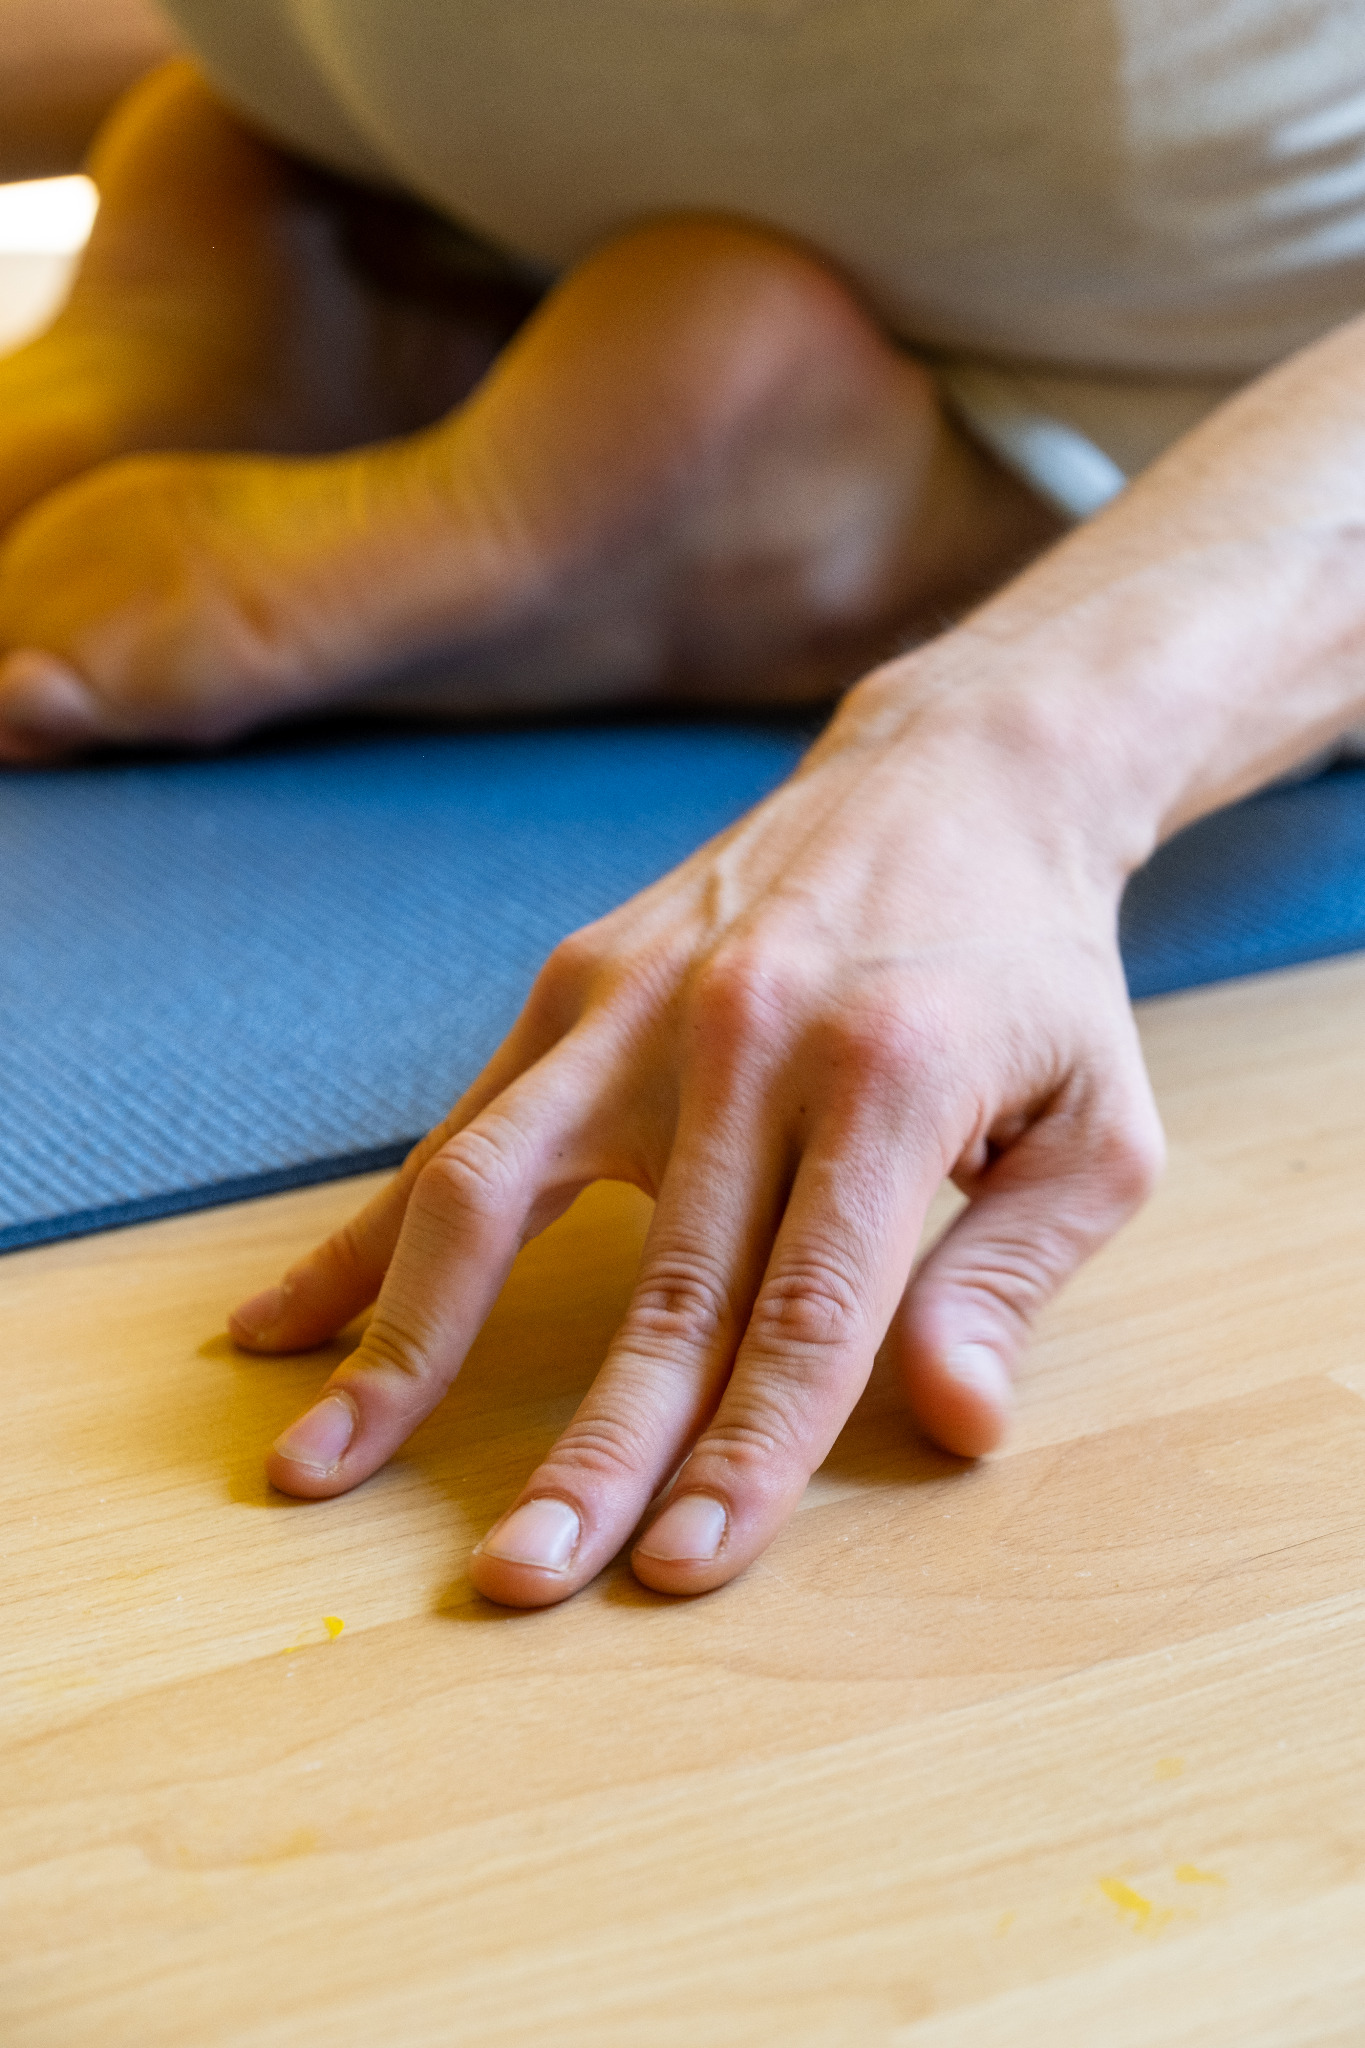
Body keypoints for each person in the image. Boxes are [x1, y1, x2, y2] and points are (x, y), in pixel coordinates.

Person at [3, 2, 1365, 1608]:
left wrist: (991, 771)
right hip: (1154, 239)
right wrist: (995, 744)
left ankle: (340, 238)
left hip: (391, 79)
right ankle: (853, 525)